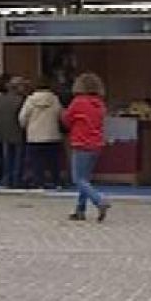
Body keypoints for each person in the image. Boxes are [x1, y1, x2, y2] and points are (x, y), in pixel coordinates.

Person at [60, 72, 111, 222]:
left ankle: (99, 200)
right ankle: (80, 209)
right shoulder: (100, 104)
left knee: (78, 179)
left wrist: (63, 113)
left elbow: (67, 120)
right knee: (85, 179)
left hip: (81, 143)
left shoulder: (78, 102)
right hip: (96, 144)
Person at [20, 78, 64, 189]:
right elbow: (61, 115)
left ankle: (39, 182)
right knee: (53, 161)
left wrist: (26, 127)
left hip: (34, 136)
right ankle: (56, 181)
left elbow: (22, 117)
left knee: (36, 162)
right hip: (52, 135)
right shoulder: (55, 99)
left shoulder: (30, 100)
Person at [0, 75, 27, 188]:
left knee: (7, 158)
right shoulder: (21, 100)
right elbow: (24, 117)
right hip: (18, 131)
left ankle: (7, 180)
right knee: (18, 159)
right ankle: (17, 181)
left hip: (4, 131)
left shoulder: (0, 99)